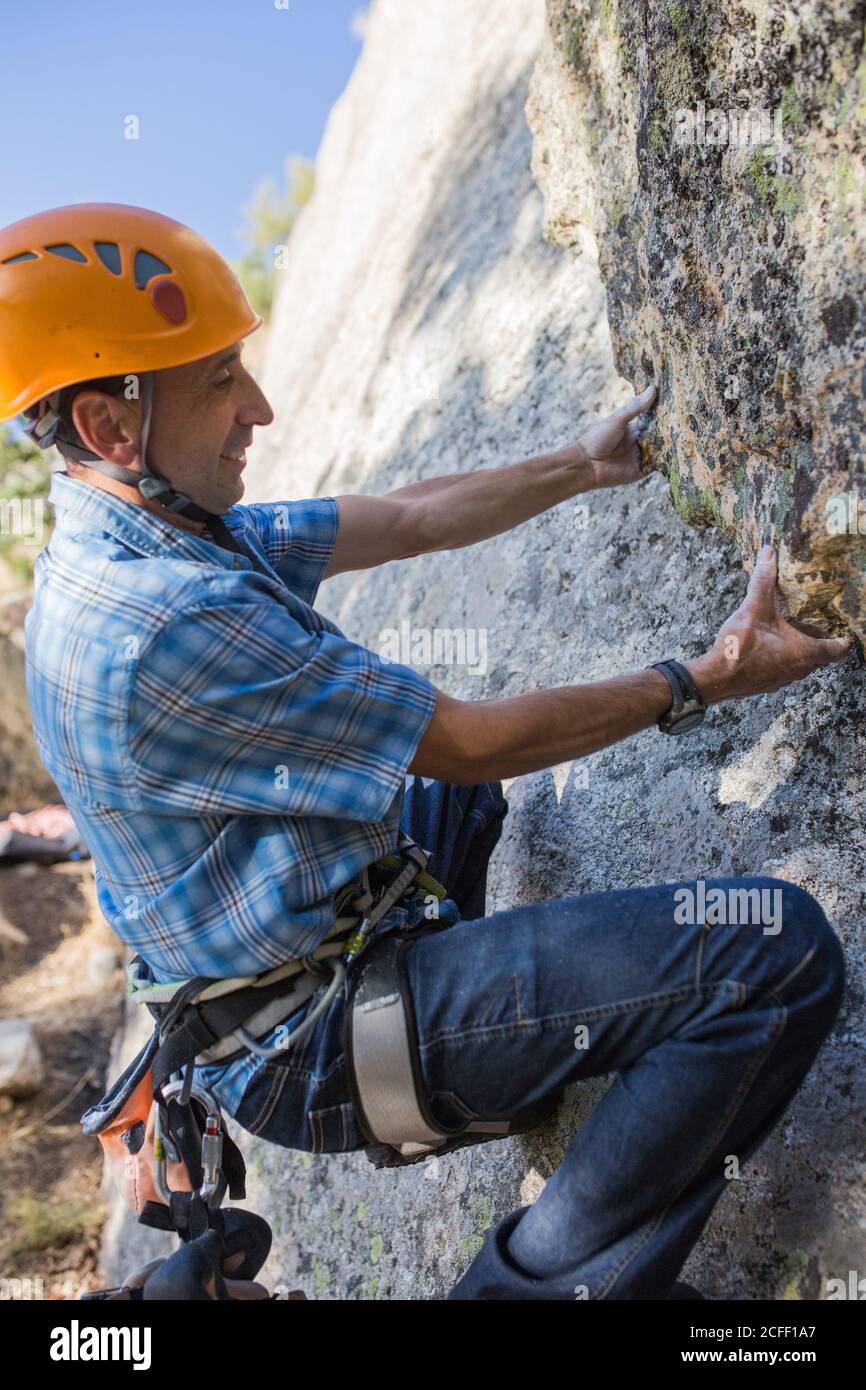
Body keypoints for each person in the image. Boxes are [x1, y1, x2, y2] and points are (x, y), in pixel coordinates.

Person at [3, 203, 849, 1300]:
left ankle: (509, 1051)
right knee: (766, 953)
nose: (257, 406)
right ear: (111, 426)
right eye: (219, 381)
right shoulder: (158, 621)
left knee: (423, 773)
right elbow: (466, 738)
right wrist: (702, 679)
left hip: (287, 969)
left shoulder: (148, 525)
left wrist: (577, 465)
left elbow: (397, 519)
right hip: (311, 1040)